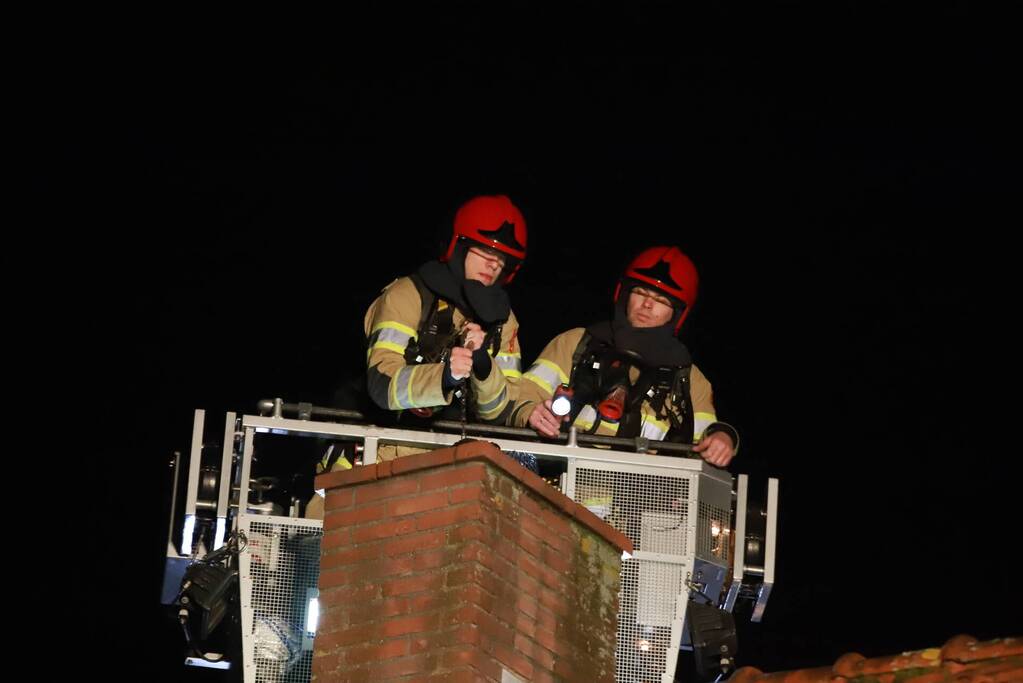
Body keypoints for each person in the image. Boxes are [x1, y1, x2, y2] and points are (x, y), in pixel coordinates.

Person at [508, 245, 737, 468]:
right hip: (558, 477)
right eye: (640, 292)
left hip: (638, 490)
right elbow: (522, 394)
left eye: (661, 300)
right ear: (623, 294)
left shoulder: (689, 378)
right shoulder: (576, 343)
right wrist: (530, 412)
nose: (647, 304)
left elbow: (705, 439)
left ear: (677, 313)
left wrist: (724, 438)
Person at [363, 194, 527, 445]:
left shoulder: (504, 321)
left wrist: (484, 366)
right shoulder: (408, 294)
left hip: (455, 453)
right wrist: (444, 376)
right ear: (459, 247)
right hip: (382, 444)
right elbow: (381, 384)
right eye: (485, 251)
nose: (494, 264)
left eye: (502, 258)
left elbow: (499, 412)